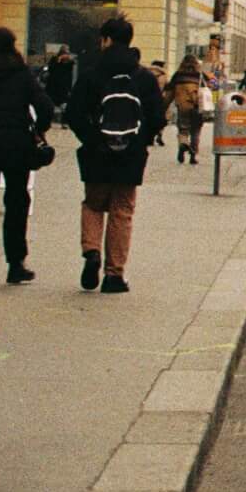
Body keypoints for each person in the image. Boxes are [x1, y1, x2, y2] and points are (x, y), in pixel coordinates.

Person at [64, 15, 165, 295]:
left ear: (106, 40)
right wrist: (138, 139)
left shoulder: (92, 74)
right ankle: (114, 276)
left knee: (94, 205)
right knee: (123, 211)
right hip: (130, 155)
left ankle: (92, 251)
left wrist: (93, 139)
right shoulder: (144, 77)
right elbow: (158, 117)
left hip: (97, 153)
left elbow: (73, 114)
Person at [0, 27, 56, 284]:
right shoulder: (21, 74)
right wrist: (38, 131)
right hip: (16, 145)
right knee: (17, 201)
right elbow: (46, 107)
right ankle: (16, 263)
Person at [168, 55, 207, 165]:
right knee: (196, 131)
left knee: (183, 129)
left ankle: (183, 144)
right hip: (196, 107)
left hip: (182, 106)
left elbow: (170, 93)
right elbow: (205, 90)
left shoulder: (178, 76)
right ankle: (193, 155)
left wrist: (164, 106)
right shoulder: (199, 76)